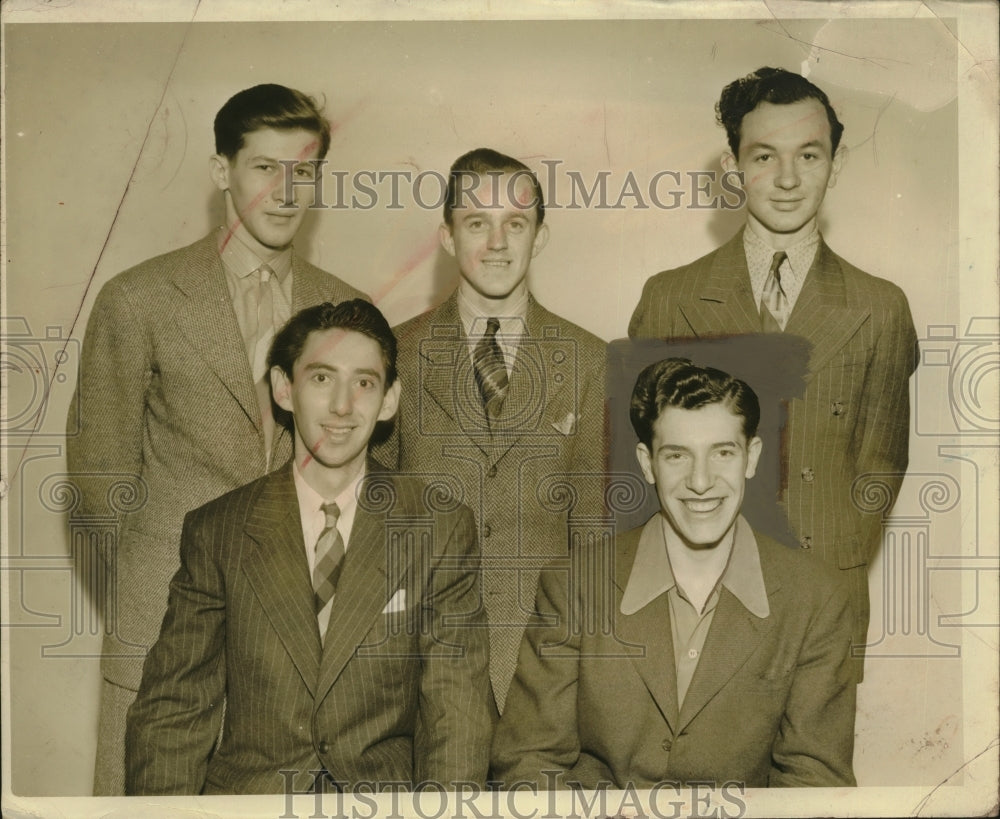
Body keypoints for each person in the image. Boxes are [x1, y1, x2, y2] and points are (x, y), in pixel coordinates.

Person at [66, 83, 367, 794]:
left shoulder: (345, 311)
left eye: (304, 170)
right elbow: (98, 481)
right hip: (164, 637)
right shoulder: (136, 297)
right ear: (220, 171)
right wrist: (165, 587)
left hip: (299, 657)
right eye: (265, 167)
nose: (287, 190)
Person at [125, 300, 493, 794]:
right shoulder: (219, 531)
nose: (343, 405)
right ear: (284, 388)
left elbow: (458, 714)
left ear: (389, 400)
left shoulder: (439, 527)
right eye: (321, 379)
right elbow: (173, 711)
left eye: (364, 382)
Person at [628, 67, 918, 670]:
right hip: (695, 601)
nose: (787, 179)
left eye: (809, 155)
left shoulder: (880, 307)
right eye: (764, 156)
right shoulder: (669, 297)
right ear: (735, 169)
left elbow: (881, 463)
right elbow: (648, 464)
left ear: (835, 166)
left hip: (824, 608)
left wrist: (836, 565)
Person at [492, 358, 857, 789]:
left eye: (722, 452)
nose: (700, 481)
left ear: (751, 457)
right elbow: (527, 765)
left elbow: (813, 784)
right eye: (677, 456)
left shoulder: (816, 598)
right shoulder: (573, 586)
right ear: (647, 464)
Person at [373, 148, 607, 711]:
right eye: (478, 222)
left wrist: (584, 667)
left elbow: (595, 535)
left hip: (545, 668)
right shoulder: (395, 354)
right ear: (448, 236)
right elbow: (374, 524)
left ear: (540, 235)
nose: (497, 243)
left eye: (516, 224)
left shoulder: (590, 360)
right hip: (420, 666)